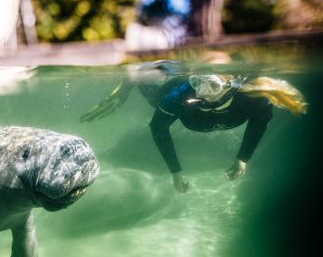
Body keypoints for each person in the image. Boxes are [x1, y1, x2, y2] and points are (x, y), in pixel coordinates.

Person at [81, 63, 308, 193]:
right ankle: (129, 80)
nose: (201, 92)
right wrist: (175, 170)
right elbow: (158, 127)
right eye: (198, 81)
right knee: (146, 86)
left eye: (212, 85)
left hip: (208, 111)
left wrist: (243, 158)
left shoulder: (255, 99)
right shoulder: (180, 95)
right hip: (169, 95)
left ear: (232, 86)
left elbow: (259, 124)